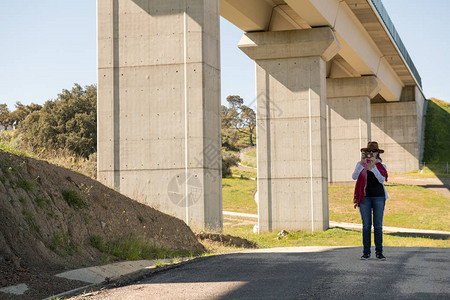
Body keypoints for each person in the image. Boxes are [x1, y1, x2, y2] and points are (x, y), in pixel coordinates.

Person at [352, 141, 388, 261]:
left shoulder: (381, 166)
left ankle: (379, 253)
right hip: (364, 197)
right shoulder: (361, 164)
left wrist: (372, 168)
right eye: (369, 152)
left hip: (379, 197)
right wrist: (362, 163)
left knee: (378, 226)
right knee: (366, 226)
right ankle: (366, 253)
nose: (371, 154)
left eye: (374, 151)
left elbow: (382, 180)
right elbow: (354, 176)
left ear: (378, 153)